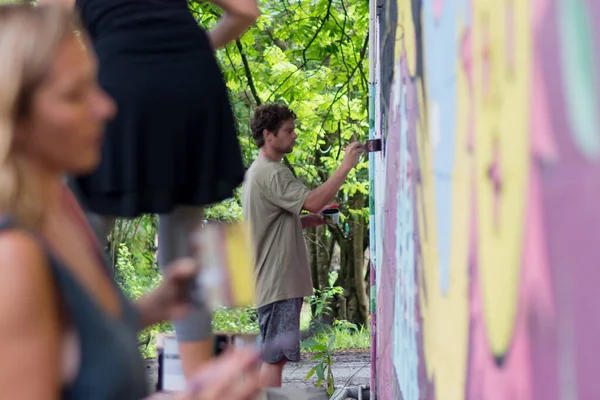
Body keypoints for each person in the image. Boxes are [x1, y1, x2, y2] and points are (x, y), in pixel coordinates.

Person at [0, 4, 260, 400]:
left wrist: (143, 311)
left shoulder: (62, 209)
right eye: (76, 93)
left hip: (140, 72)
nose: (106, 107)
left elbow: (73, 350)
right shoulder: (14, 257)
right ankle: (196, 372)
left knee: (178, 268)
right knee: (184, 248)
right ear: (12, 116)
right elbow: (245, 10)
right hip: (194, 83)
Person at [241, 103, 364, 387]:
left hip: (274, 282)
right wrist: (346, 165)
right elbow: (313, 201)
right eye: (288, 130)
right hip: (278, 282)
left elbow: (271, 224)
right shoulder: (272, 173)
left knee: (273, 357)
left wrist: (312, 221)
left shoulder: (258, 172)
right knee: (275, 359)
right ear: (269, 135)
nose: (295, 135)